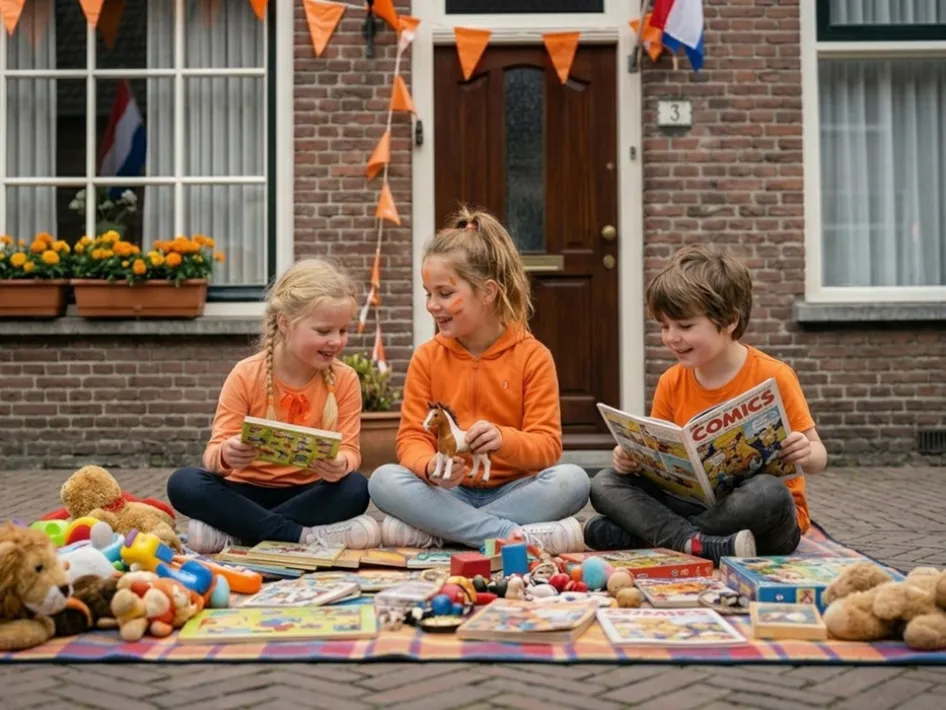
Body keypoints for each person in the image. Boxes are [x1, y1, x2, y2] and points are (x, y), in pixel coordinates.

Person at [585, 244, 828, 564]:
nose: (671, 337)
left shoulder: (773, 375)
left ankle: (651, 537)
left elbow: (818, 457)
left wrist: (806, 453)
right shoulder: (671, 381)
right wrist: (633, 459)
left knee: (769, 494)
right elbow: (660, 461)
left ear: (728, 321)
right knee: (605, 482)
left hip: (763, 520)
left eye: (684, 326)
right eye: (664, 326)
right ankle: (698, 544)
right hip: (694, 506)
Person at [368, 207, 590, 554]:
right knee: (383, 480)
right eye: (428, 293)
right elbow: (412, 438)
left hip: (514, 490)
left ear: (487, 292)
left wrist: (503, 439)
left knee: (573, 481)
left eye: (444, 293)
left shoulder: (533, 356)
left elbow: (547, 447)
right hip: (446, 492)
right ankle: (504, 534)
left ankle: (445, 531)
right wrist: (429, 467)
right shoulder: (427, 357)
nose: (432, 305)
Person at [167, 258, 378, 554]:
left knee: (356, 488)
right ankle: (299, 536)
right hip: (243, 494)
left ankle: (242, 534)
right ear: (285, 324)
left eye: (343, 331)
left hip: (308, 494)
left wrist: (341, 464)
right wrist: (228, 453)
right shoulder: (246, 373)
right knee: (184, 483)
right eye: (323, 331)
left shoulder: (345, 379)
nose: (335, 341)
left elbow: (350, 451)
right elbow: (212, 457)